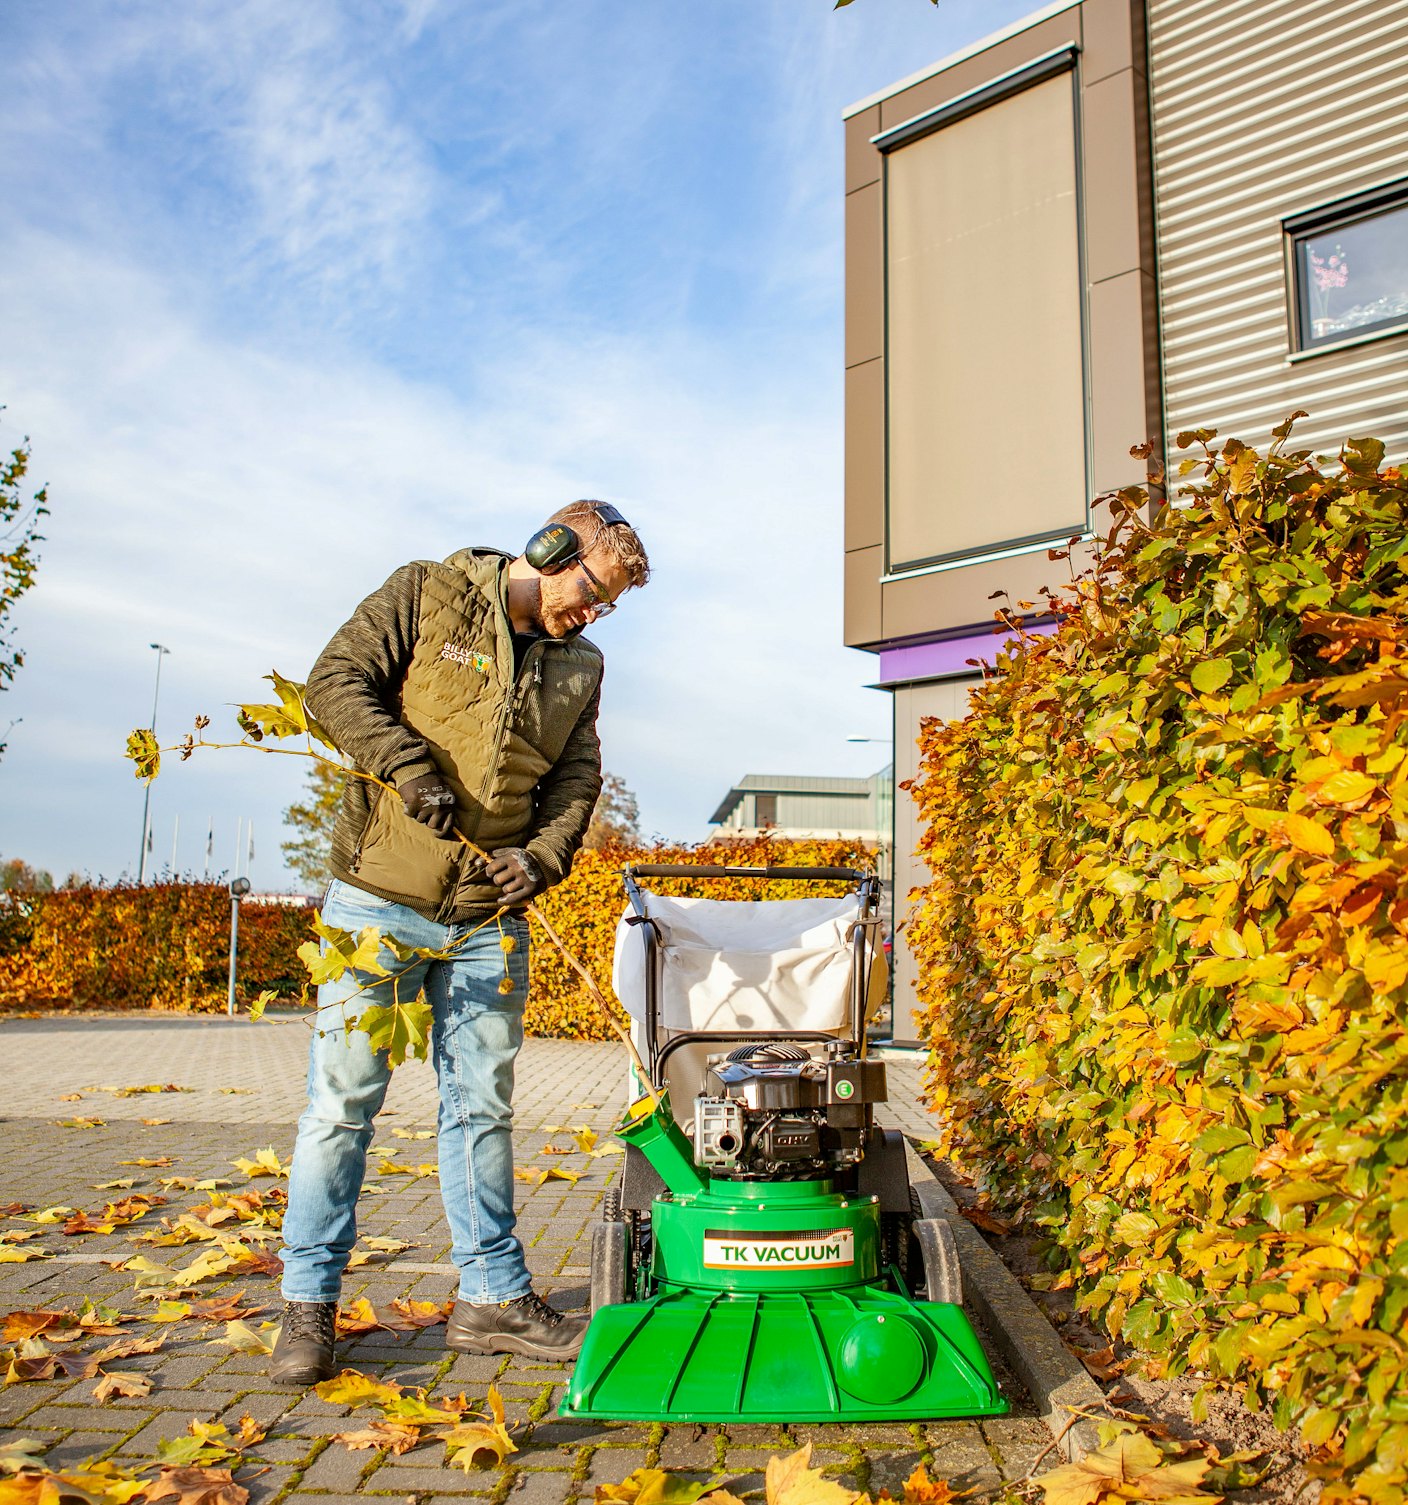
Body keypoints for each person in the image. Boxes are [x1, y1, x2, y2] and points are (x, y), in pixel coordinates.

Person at [269, 500, 650, 1385]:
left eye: (609, 605)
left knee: (480, 1106)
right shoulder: (425, 594)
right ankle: (307, 1305)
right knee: (342, 1106)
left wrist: (544, 858)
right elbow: (334, 683)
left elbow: (576, 776)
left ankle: (490, 1297)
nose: (593, 614)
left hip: (488, 919)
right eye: (592, 589)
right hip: (377, 902)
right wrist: (404, 762)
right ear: (550, 551)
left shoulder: (580, 666)